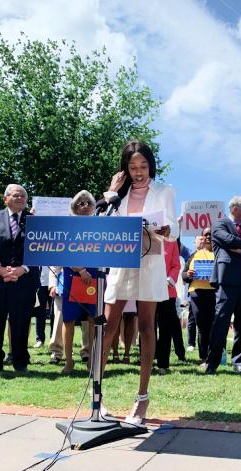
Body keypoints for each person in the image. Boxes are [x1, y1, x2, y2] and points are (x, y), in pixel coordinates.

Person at [101, 140, 176, 424]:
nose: (139, 172)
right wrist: (111, 191)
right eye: (133, 167)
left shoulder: (165, 191)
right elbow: (106, 223)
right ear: (126, 169)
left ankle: (142, 398)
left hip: (150, 260)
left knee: (146, 326)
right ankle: (98, 396)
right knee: (108, 326)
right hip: (122, 262)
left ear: (150, 166)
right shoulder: (117, 195)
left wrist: (169, 229)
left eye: (143, 166)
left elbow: (173, 229)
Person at [205, 196, 241, 376]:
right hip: (227, 281)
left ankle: (239, 363)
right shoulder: (219, 224)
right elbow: (226, 239)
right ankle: (212, 363)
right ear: (236, 209)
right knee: (221, 322)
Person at [0, 184, 40, 372]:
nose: (20, 198)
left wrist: (23, 269)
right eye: (15, 195)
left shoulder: (34, 222)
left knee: (21, 321)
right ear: (5, 199)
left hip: (24, 280)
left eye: (23, 196)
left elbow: (40, 249)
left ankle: (20, 361)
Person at [59, 191, 98, 374]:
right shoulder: (67, 225)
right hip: (71, 274)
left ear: (93, 206)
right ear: (74, 207)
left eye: (88, 202)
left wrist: (87, 270)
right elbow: (63, 249)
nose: (84, 206)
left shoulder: (100, 226)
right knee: (68, 320)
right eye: (80, 203)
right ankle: (68, 361)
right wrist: (80, 269)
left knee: (93, 319)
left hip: (94, 275)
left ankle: (90, 360)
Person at [182, 227, 216, 364]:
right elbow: (184, 275)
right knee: (202, 326)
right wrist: (188, 274)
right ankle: (204, 358)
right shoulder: (195, 255)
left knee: (213, 326)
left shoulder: (220, 254)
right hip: (197, 293)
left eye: (210, 234)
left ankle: (214, 356)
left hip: (214, 293)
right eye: (205, 234)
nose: (208, 237)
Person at [155, 227, 185, 374]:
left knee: (165, 328)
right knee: (146, 327)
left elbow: (176, 265)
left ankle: (163, 363)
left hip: (167, 291)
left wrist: (170, 279)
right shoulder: (145, 240)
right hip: (147, 290)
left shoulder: (172, 243)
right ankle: (146, 360)